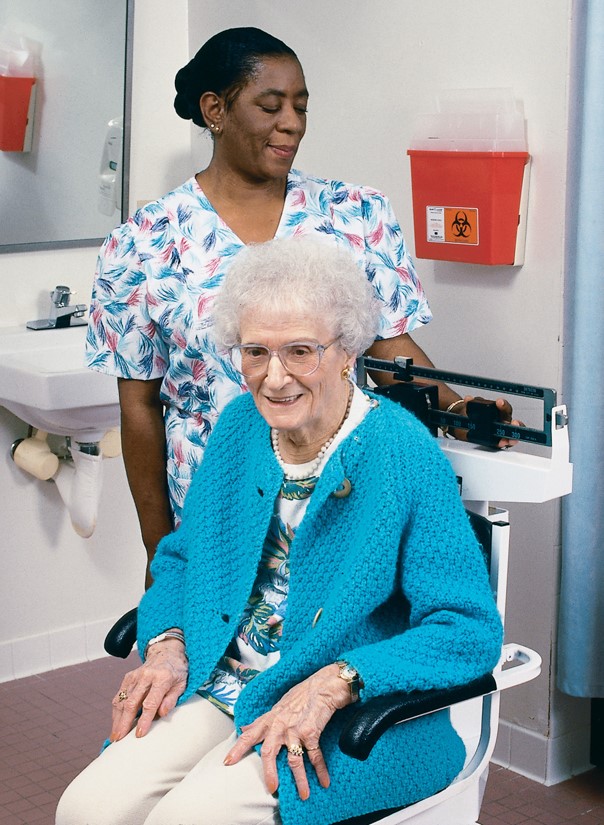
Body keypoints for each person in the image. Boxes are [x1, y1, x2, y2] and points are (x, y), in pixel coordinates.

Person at [58, 238, 503, 825]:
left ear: (346, 349)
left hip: (340, 713)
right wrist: (167, 641)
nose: (273, 378)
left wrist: (341, 681)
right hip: (220, 678)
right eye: (255, 352)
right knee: (87, 809)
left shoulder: (401, 455)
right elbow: (184, 559)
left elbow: (466, 628)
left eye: (299, 351)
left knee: (185, 820)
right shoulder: (241, 427)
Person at [85, 26, 517, 587]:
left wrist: (459, 413)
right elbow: (140, 408)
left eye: (300, 106)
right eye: (270, 106)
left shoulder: (353, 215)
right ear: (216, 110)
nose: (291, 122)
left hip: (342, 493)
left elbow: (390, 354)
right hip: (215, 508)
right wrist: (159, 553)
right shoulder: (141, 243)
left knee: (330, 654)